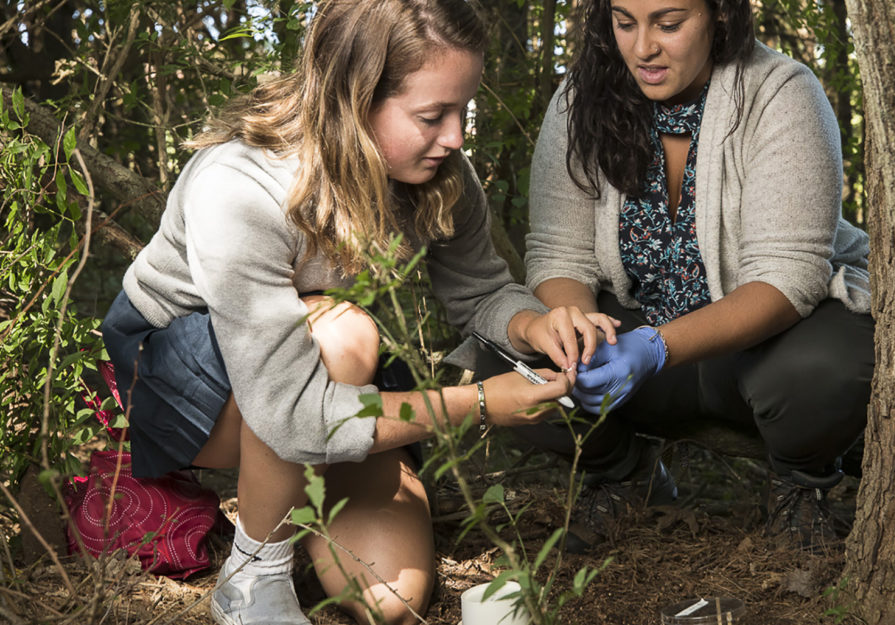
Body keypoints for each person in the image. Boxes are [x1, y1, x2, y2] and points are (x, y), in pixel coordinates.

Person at [99, 2, 618, 624]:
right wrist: (480, 403)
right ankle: (253, 573)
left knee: (390, 603)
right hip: (185, 379)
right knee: (342, 335)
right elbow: (290, 412)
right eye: (432, 115)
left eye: (462, 110)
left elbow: (480, 291)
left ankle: (304, 510)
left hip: (319, 388)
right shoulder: (240, 187)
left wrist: (537, 324)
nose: (455, 137)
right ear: (353, 99)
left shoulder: (437, 170)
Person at [517, 0, 874, 553]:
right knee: (513, 351)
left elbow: (789, 276)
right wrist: (575, 327)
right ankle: (624, 475)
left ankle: (801, 488)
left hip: (760, 344)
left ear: (720, 16)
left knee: (826, 366)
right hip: (640, 338)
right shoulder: (579, 99)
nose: (642, 49)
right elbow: (558, 252)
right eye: (625, 22)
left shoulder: (781, 92)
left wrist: (656, 348)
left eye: (669, 23)